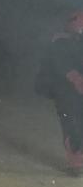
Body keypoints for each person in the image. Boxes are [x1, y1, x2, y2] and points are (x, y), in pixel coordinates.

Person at [36, 11, 83, 176]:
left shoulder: (63, 41)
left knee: (72, 124)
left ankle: (77, 162)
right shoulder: (60, 42)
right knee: (72, 124)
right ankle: (76, 162)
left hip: (70, 92)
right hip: (66, 91)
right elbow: (62, 66)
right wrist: (77, 81)